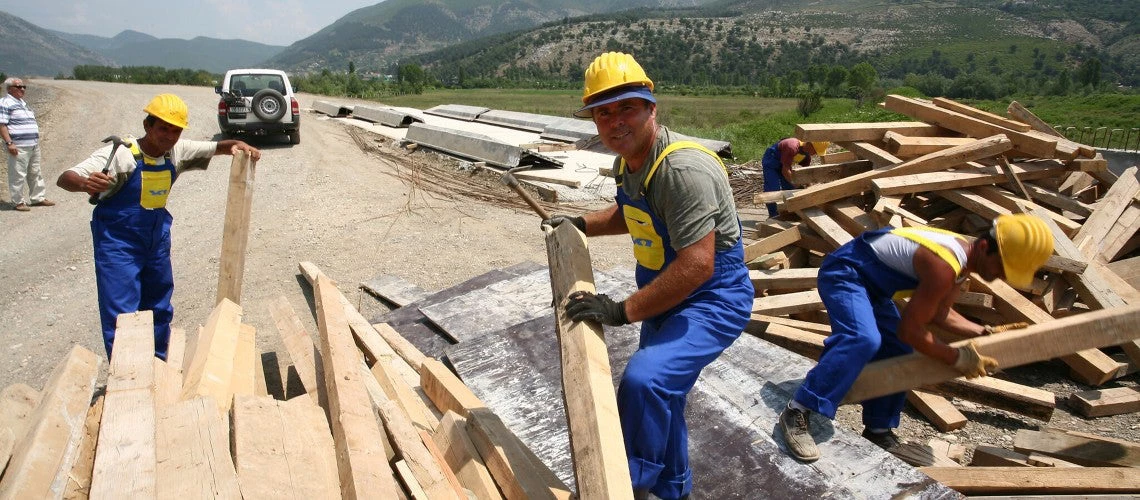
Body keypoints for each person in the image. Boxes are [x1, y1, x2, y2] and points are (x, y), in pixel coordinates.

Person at [544, 52, 754, 500]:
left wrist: (622, 311)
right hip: (667, 291)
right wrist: (580, 224)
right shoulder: (629, 161)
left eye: (627, 108)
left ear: (650, 109)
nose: (615, 121)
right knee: (666, 395)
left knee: (646, 380)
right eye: (604, 113)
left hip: (712, 297)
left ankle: (625, 487)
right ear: (594, 120)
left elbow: (699, 265)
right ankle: (673, 488)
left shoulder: (681, 170)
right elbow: (632, 213)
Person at [778, 214, 1054, 462]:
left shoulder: (960, 262)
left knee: (899, 350)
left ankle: (879, 429)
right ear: (984, 247)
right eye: (1003, 267)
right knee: (862, 339)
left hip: (873, 287)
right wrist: (956, 357)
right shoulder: (943, 264)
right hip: (846, 273)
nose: (1000, 276)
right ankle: (798, 410)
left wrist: (984, 331)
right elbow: (911, 329)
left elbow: (940, 314)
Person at [56, 93, 261, 360]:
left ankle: (158, 366)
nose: (169, 136)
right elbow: (65, 178)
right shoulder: (121, 154)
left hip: (156, 242)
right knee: (122, 313)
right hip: (118, 243)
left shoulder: (176, 151)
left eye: (175, 130)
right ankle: (127, 377)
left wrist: (240, 145)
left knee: (159, 306)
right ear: (148, 126)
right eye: (163, 128)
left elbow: (220, 147)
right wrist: (84, 183)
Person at [1, 78, 54, 212]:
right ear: (9, 88)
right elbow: (2, 124)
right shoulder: (5, 103)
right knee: (18, 174)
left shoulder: (23, 103)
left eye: (24, 87)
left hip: (33, 144)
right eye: (18, 87)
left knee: (35, 172)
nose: (22, 89)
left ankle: (38, 198)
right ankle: (18, 202)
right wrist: (9, 143)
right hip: (18, 145)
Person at [760, 137, 827, 217]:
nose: (815, 154)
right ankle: (774, 215)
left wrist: (809, 185)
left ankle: (788, 213)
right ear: (810, 145)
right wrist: (796, 184)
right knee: (773, 189)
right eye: (815, 151)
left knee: (789, 188)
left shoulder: (806, 156)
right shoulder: (792, 147)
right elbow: (785, 171)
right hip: (771, 160)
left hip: (784, 164)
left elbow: (805, 172)